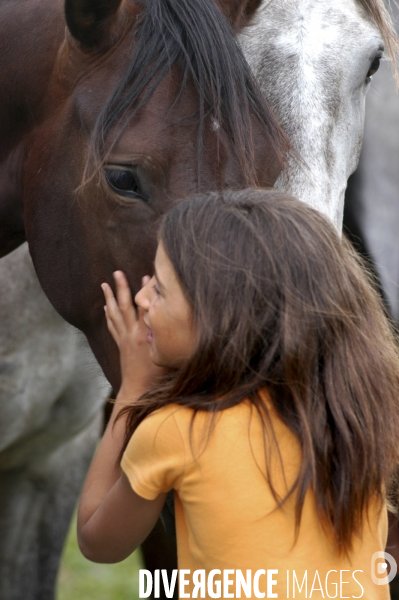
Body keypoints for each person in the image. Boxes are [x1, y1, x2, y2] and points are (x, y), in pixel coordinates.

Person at [77, 189, 399, 599]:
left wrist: (133, 388)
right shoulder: (358, 415)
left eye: (158, 289)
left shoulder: (178, 432)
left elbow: (96, 540)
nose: (140, 299)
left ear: (220, 318)